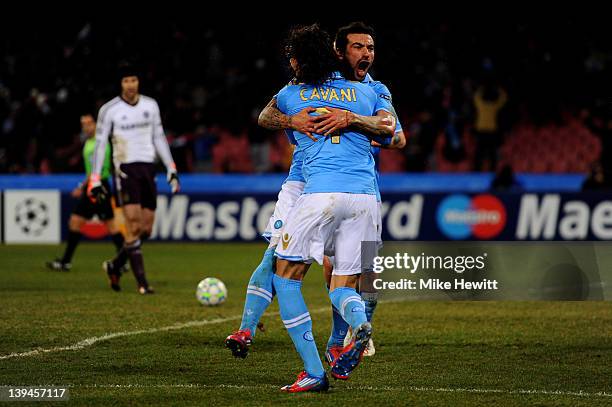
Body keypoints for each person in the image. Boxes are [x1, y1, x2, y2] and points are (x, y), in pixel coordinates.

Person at [225, 22, 404, 364]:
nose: (365, 54)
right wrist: (295, 122)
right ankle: (247, 328)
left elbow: (396, 136)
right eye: (358, 47)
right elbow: (268, 115)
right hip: (314, 184)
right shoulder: (320, 87)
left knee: (324, 272)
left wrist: (350, 119)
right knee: (282, 257)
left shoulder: (371, 89)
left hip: (335, 185)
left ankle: (331, 348)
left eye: (370, 48)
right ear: (338, 52)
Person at [274, 24, 395, 392]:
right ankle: (357, 326)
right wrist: (355, 119)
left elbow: (265, 116)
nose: (367, 53)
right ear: (338, 53)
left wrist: (289, 119)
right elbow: (392, 131)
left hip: (321, 196)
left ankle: (313, 372)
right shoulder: (365, 91)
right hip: (365, 199)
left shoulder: (294, 94)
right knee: (345, 285)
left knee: (285, 276)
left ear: (299, 61)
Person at [88, 63, 180, 294]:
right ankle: (142, 284)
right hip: (125, 170)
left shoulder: (150, 105)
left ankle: (115, 265)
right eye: (126, 81)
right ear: (121, 84)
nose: (130, 85)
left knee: (146, 230)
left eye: (134, 80)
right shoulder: (109, 110)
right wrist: (96, 177)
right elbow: (100, 145)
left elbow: (158, 137)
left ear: (138, 82)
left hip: (148, 169)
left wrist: (170, 166)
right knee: (134, 225)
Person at [46, 114, 125, 271]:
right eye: (83, 124)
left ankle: (122, 260)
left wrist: (81, 187)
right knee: (77, 221)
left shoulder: (100, 144)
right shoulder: (89, 143)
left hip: (98, 186)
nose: (86, 127)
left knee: (110, 225)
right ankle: (66, 261)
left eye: (89, 123)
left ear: (96, 124)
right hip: (94, 186)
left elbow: (97, 171)